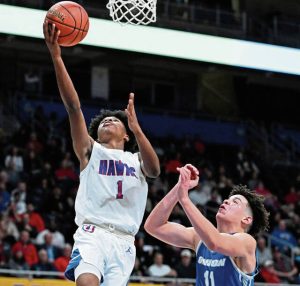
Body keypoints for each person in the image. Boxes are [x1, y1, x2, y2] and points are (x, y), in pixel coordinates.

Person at [43, 21, 160, 286]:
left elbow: (154, 171)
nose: (108, 121)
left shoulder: (136, 160)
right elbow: (73, 107)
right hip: (92, 233)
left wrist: (138, 129)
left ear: (126, 134)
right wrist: (57, 57)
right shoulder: (90, 151)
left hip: (124, 242)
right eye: (103, 122)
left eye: (114, 121)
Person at [145, 164, 269, 286]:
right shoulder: (199, 238)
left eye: (235, 202)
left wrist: (185, 199)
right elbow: (154, 226)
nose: (226, 201)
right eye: (228, 199)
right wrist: (180, 187)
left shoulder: (246, 242)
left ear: (247, 219)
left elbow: (215, 243)